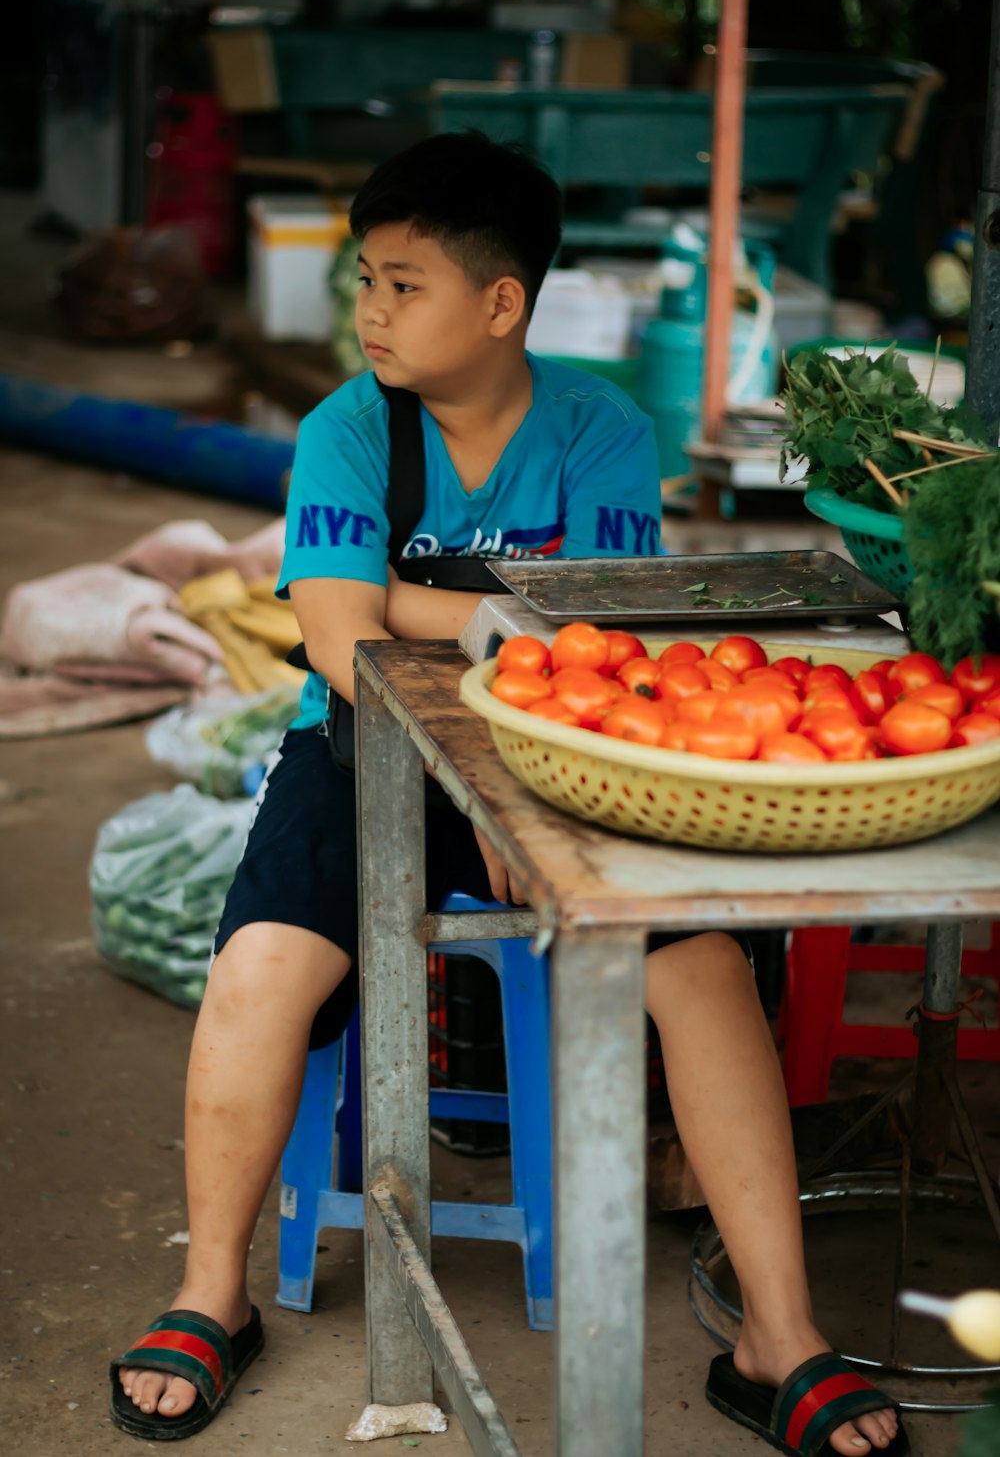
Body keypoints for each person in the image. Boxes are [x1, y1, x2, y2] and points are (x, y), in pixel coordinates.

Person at [110, 131, 906, 1457]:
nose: (368, 308)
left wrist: (462, 647)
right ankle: (209, 1295)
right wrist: (491, 631)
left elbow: (602, 650)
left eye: (404, 282)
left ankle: (782, 1337)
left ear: (501, 303)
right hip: (360, 757)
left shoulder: (602, 429)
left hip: (567, 762)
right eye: (365, 277)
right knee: (258, 966)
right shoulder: (346, 431)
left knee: (699, 966)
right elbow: (333, 638)